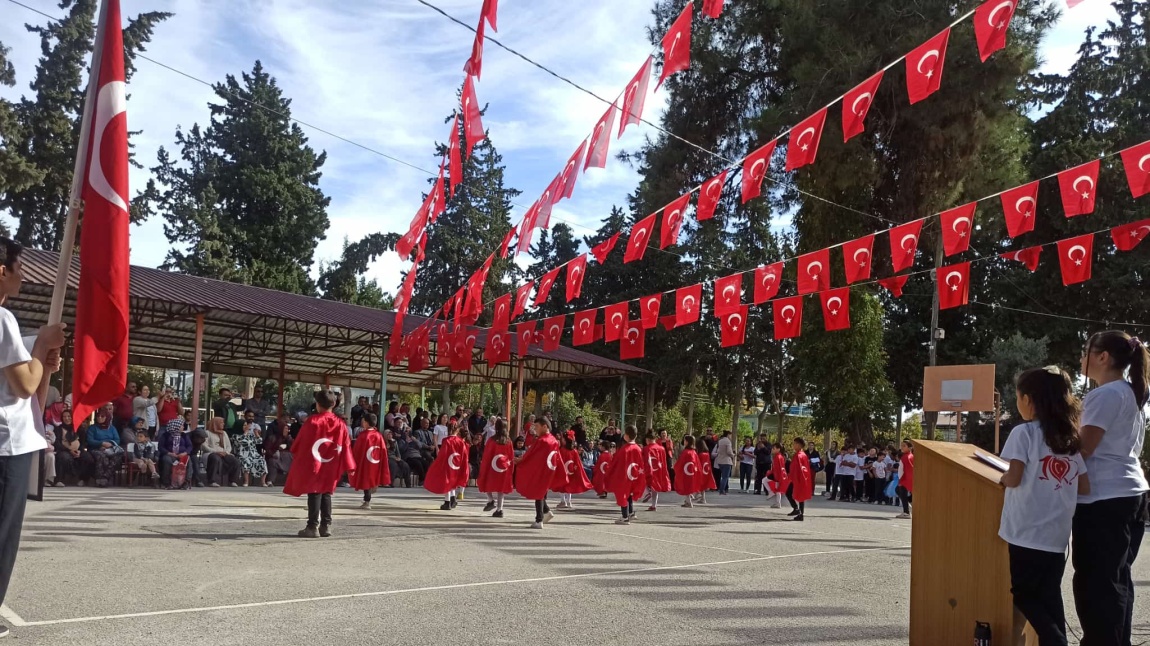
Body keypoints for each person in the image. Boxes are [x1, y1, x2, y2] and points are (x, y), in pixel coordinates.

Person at [0, 236, 66, 639]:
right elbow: (25, 386)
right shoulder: (3, 321)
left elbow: (34, 393)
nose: (22, 274)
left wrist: (42, 360)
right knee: (3, 533)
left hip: (12, 438)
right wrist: (40, 346)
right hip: (7, 445)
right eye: (17, 266)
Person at [997, 366, 1089, 646]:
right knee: (1049, 595)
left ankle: (1057, 642)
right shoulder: (1070, 439)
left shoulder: (1023, 433)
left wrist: (1001, 478)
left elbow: (1013, 478)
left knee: (1024, 594)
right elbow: (1084, 486)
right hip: (1056, 535)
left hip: (1025, 531)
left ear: (1028, 400)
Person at [1073, 331, 1149, 645]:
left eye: (1086, 351)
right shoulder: (1130, 393)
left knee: (1098, 584)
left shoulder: (1105, 394)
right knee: (1116, 580)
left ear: (1103, 357)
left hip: (1105, 498)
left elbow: (1084, 447)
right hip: (1128, 493)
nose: (1081, 357)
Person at [284, 390, 355, 538]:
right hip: (332, 464)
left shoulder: (312, 421)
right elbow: (346, 446)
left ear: (317, 404)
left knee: (314, 492)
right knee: (327, 492)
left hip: (315, 462)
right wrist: (349, 466)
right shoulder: (341, 424)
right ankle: (325, 526)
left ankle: (312, 526)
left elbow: (299, 444)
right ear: (334, 404)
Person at [515, 418, 567, 529]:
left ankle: (539, 520)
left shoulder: (542, 441)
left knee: (538, 493)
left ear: (545, 427)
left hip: (542, 470)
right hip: (549, 470)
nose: (535, 429)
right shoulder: (553, 440)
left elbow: (532, 455)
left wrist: (520, 461)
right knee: (541, 493)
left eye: (537, 426)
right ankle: (546, 512)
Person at [605, 425, 645, 525]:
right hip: (634, 475)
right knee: (630, 494)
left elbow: (616, 463)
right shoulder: (638, 448)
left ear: (626, 436)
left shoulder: (624, 449)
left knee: (623, 494)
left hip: (624, 476)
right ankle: (631, 512)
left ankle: (624, 516)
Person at [349, 413, 389, 510]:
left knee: (366, 480)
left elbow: (357, 450)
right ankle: (368, 497)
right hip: (376, 461)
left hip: (365, 462)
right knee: (372, 479)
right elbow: (383, 450)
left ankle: (367, 501)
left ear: (366, 423)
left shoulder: (363, 436)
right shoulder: (379, 435)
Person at [424, 424, 469, 510]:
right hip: (457, 464)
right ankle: (453, 499)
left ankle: (447, 501)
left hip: (448, 463)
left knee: (447, 482)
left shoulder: (446, 440)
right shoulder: (460, 441)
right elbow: (464, 454)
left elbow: (443, 454)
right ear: (458, 430)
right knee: (453, 481)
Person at [478, 419, 514, 518]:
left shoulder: (491, 440)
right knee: (501, 489)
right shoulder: (508, 441)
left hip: (492, 467)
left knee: (485, 482)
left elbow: (487, 455)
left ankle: (490, 500)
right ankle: (500, 509)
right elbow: (511, 456)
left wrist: (484, 466)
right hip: (504, 468)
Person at [554, 432, 592, 510]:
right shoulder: (574, 451)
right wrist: (576, 469)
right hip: (571, 471)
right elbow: (577, 462)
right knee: (569, 486)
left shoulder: (562, 450)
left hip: (563, 471)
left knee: (562, 486)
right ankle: (569, 501)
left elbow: (558, 460)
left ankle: (563, 501)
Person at [86, 409, 123, 487]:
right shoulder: (92, 428)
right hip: (95, 448)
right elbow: (90, 440)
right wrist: (101, 444)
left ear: (107, 417)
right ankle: (99, 478)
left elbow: (117, 439)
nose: (100, 418)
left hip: (110, 448)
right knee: (102, 456)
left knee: (117, 456)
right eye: (98, 416)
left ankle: (105, 477)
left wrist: (110, 444)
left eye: (102, 416)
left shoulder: (112, 428)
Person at [202, 417, 241, 487]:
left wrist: (226, 452)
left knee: (235, 461)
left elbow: (229, 446)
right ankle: (212, 481)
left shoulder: (224, 433)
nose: (223, 424)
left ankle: (232, 481)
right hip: (211, 453)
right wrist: (216, 452)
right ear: (215, 424)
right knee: (215, 458)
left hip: (224, 453)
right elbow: (204, 446)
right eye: (221, 423)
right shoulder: (207, 433)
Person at [157, 418, 193, 489]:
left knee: (188, 461)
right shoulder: (166, 435)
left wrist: (185, 453)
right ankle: (167, 482)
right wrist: (169, 453)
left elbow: (189, 446)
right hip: (170, 455)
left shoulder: (184, 435)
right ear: (176, 426)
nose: (183, 427)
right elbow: (160, 447)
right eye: (181, 426)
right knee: (166, 460)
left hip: (182, 455)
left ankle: (185, 482)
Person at [236, 412, 268, 487]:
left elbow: (259, 442)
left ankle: (263, 482)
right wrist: (246, 432)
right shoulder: (237, 435)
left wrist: (256, 434)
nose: (246, 427)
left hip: (253, 453)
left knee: (262, 460)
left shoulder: (251, 436)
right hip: (243, 454)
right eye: (244, 425)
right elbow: (240, 442)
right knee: (246, 461)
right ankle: (246, 481)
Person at [643, 432, 671, 511]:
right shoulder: (661, 448)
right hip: (659, 469)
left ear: (648, 440)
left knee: (644, 482)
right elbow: (664, 460)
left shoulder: (646, 448)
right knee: (655, 488)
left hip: (649, 468)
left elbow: (645, 460)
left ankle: (648, 493)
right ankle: (654, 505)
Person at [787, 437, 813, 521]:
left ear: (798, 444)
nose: (793, 445)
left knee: (794, 493)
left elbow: (798, 469)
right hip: (798, 478)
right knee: (797, 495)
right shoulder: (802, 455)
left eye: (794, 443)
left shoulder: (799, 455)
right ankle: (798, 510)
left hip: (797, 478)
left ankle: (799, 512)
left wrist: (794, 478)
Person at [263, 418, 294, 485]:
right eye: (285, 429)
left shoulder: (288, 438)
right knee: (272, 462)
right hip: (275, 456)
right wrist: (276, 450)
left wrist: (288, 439)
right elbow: (267, 450)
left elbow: (293, 447)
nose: (287, 430)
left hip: (286, 458)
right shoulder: (272, 438)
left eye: (287, 429)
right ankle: (270, 481)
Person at [673, 436, 699, 508]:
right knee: (689, 486)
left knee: (686, 486)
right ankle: (687, 501)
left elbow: (680, 462)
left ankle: (689, 502)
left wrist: (675, 467)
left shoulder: (685, 452)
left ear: (687, 442)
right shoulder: (694, 452)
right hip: (692, 472)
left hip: (685, 472)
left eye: (684, 441)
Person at [712, 430, 735, 495]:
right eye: (730, 435)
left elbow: (718, 450)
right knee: (725, 477)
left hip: (720, 460)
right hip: (726, 461)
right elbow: (728, 452)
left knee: (722, 476)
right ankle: (722, 490)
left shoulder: (720, 441)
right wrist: (733, 455)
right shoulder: (728, 441)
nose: (731, 437)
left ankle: (720, 488)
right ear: (728, 435)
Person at [694, 436, 717, 503]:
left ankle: (697, 495)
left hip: (700, 471)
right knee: (703, 486)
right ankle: (703, 499)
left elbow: (698, 463)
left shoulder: (700, 454)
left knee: (698, 484)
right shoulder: (707, 454)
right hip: (706, 471)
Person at [768, 443, 790, 510]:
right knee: (778, 490)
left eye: (774, 448)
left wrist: (778, 476)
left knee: (766, 481)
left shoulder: (778, 457)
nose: (772, 449)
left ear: (778, 449)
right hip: (778, 475)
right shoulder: (779, 456)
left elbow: (780, 468)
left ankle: (777, 502)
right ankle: (778, 503)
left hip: (778, 475)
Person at [896, 440, 914, 519]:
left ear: (909, 448)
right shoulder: (908, 456)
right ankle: (909, 503)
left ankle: (906, 512)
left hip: (905, 479)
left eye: (904, 446)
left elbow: (908, 470)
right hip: (905, 478)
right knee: (898, 490)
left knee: (902, 493)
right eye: (901, 445)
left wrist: (903, 480)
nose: (902, 447)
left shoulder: (906, 457)